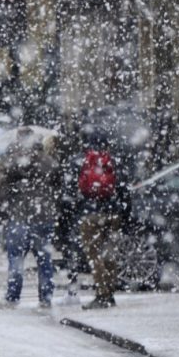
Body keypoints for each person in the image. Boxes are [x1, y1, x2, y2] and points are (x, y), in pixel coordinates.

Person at [0, 127, 60, 308]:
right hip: (43, 215)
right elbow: (57, 185)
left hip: (19, 215)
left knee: (16, 257)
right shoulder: (47, 161)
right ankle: (45, 297)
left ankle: (13, 296)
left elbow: (2, 189)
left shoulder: (12, 160)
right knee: (44, 258)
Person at [75, 131, 130, 310]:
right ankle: (110, 294)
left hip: (91, 214)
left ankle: (101, 294)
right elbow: (124, 191)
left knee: (94, 255)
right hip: (113, 214)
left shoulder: (85, 162)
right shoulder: (115, 162)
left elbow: (76, 191)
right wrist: (123, 215)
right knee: (109, 254)